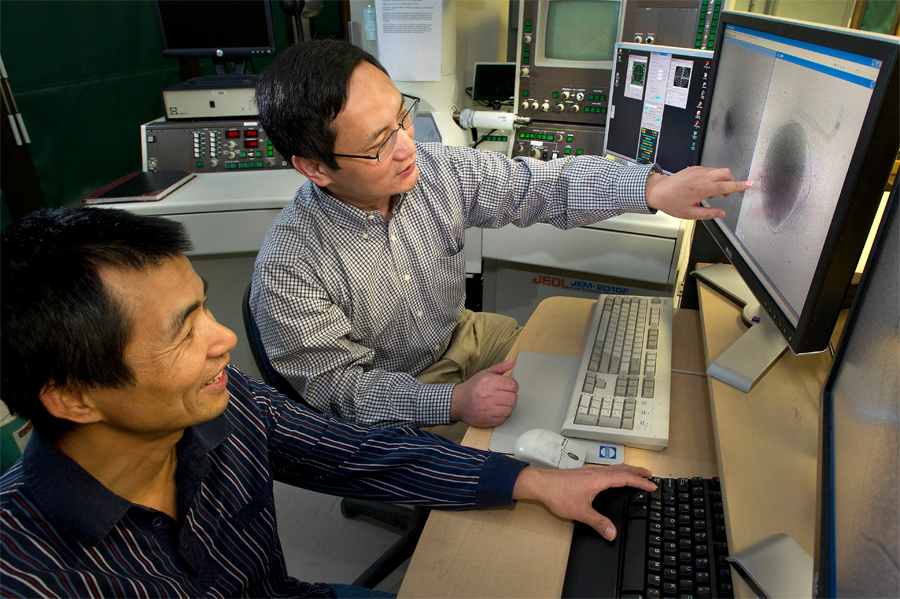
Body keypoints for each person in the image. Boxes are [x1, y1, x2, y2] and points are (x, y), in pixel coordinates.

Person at [0, 208, 657, 598]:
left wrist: (531, 479)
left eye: (204, 304)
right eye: (183, 330)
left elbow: (364, 455)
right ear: (74, 396)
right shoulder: (27, 573)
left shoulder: (225, 409)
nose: (225, 336)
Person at [251, 39, 750, 433]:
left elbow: (543, 186)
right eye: (381, 143)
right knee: (512, 466)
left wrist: (653, 187)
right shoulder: (289, 267)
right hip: (392, 390)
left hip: (459, 335)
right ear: (314, 167)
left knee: (567, 381)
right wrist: (452, 401)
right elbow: (343, 390)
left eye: (402, 118)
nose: (409, 149)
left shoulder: (436, 172)